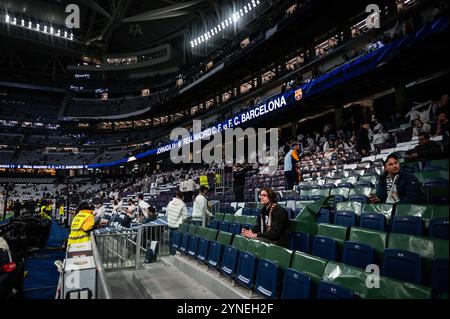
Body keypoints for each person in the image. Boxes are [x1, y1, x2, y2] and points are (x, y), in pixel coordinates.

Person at [166, 191, 188, 255]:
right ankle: (175, 254)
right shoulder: (182, 205)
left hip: (170, 225)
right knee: (177, 241)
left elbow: (167, 213)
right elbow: (185, 217)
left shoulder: (170, 203)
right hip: (178, 226)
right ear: (183, 197)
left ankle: (171, 254)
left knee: (171, 241)